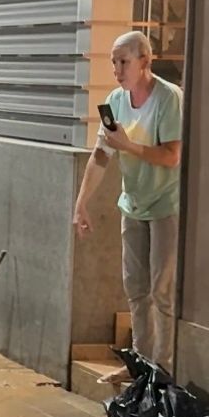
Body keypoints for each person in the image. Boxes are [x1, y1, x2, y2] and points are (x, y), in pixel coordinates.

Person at [73, 31, 184, 379]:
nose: (117, 69)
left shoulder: (168, 99)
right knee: (135, 287)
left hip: (166, 204)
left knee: (161, 291)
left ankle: (162, 371)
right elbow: (102, 155)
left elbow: (172, 156)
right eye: (113, 62)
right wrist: (81, 204)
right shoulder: (116, 101)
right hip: (133, 203)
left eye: (124, 61)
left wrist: (129, 145)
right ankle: (138, 364)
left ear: (144, 62)